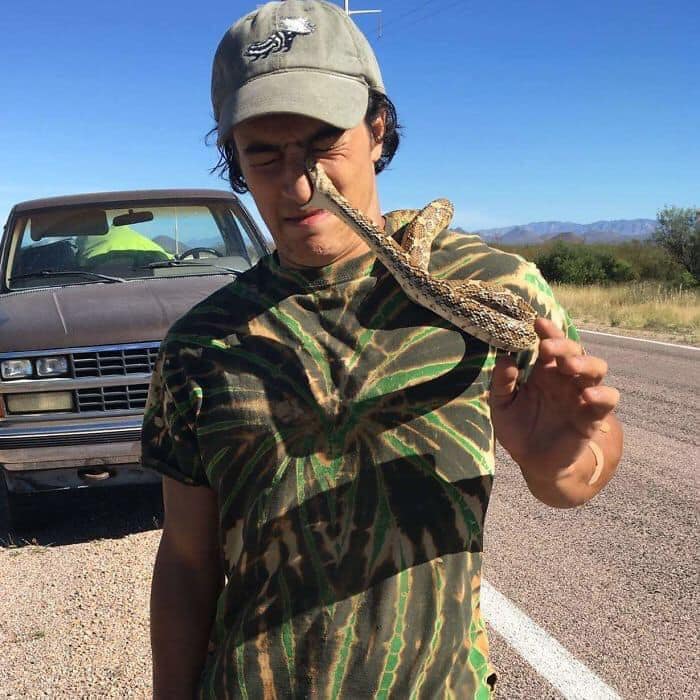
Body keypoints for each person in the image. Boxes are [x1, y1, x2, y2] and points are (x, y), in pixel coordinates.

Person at [143, 1, 623, 698]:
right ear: (236, 163)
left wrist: (563, 462)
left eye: (323, 144)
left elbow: (582, 469)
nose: (300, 184)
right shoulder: (200, 344)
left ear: (377, 130)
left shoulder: (497, 291)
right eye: (265, 154)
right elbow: (188, 561)